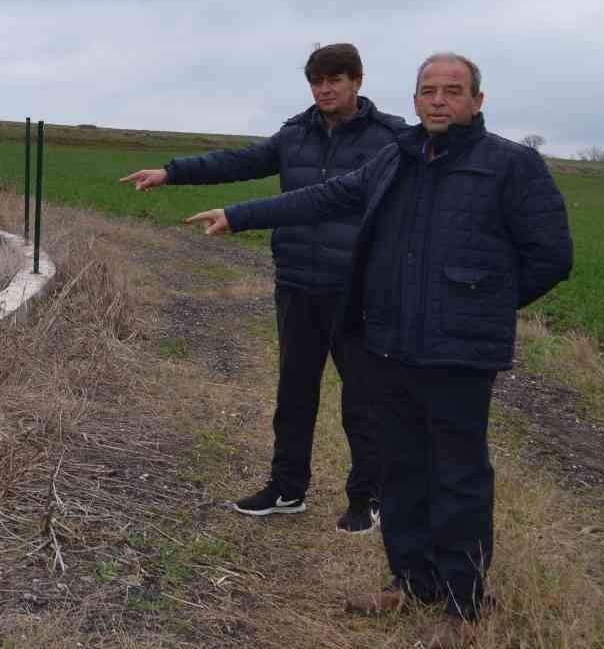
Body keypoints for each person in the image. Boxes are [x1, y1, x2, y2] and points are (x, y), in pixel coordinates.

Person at [183, 53, 573, 649]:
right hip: (388, 343)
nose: (438, 100)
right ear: (414, 99)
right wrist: (239, 215)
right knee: (401, 467)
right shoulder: (398, 157)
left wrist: (480, 305)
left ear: (477, 99)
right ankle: (410, 582)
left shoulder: (510, 165)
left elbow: (551, 256)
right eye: (428, 90)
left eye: (452, 90)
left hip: (458, 354)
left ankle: (464, 604)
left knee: (459, 475)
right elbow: (323, 198)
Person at [120, 43, 403, 534]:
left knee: (363, 398)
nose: (324, 90)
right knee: (294, 393)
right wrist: (172, 171)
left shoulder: (391, 138)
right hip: (296, 282)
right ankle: (287, 488)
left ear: (357, 81)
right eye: (316, 81)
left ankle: (367, 497)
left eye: (334, 80)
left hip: (357, 290)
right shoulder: (295, 134)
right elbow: (238, 161)